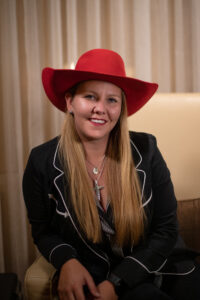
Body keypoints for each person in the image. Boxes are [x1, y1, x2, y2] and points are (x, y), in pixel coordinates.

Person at [23, 49, 200, 300]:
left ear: (121, 109)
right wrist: (67, 261)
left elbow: (166, 230)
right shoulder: (41, 161)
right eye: (90, 96)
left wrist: (117, 283)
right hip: (94, 275)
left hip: (162, 266)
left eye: (112, 100)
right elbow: (42, 231)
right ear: (70, 101)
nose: (100, 109)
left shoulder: (147, 149)